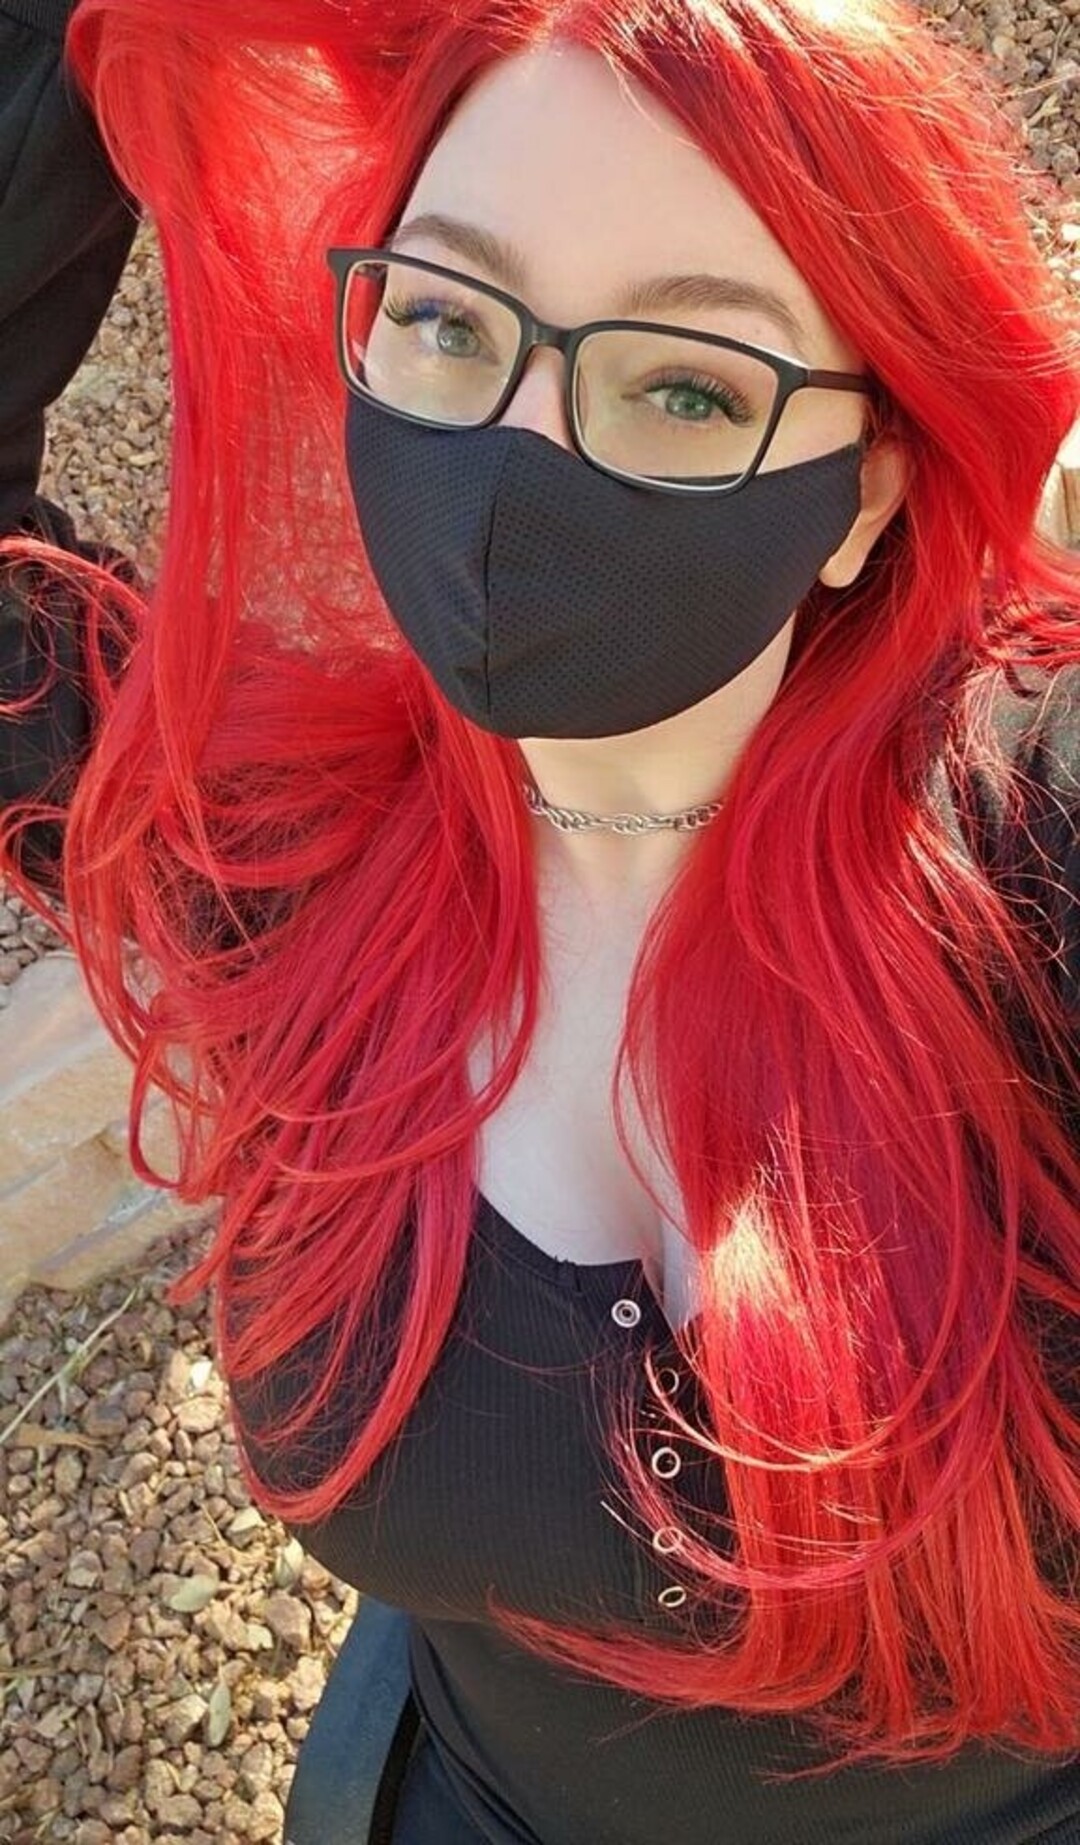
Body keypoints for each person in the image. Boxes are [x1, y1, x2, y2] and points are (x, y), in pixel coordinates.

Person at [2, 0, 1080, 1839]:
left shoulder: (1026, 874)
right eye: (447, 319)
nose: (515, 460)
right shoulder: (279, 857)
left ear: (866, 495)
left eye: (686, 386)